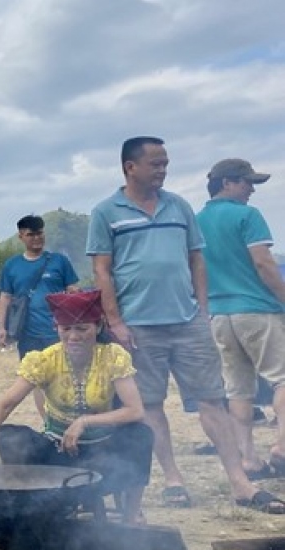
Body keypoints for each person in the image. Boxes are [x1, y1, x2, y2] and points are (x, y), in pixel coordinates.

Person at [88, 137, 282, 513]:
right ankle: (174, 480)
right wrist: (115, 321)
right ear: (130, 166)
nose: (163, 170)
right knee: (151, 405)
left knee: (213, 400)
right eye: (155, 164)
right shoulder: (106, 212)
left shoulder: (179, 207)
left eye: (165, 163)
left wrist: (201, 309)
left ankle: (240, 482)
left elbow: (196, 259)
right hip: (138, 327)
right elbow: (102, 270)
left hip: (187, 321)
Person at [0, 290, 153, 523]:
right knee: (10, 436)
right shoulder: (45, 360)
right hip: (58, 453)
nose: (73, 337)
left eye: (82, 329)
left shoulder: (113, 357)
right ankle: (35, 511)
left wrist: (84, 421)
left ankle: (131, 515)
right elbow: (8, 402)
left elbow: (135, 410)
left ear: (98, 326)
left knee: (140, 434)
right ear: (57, 329)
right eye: (66, 329)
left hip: (103, 454)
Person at [196, 158, 285, 478]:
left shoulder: (197, 220)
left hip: (220, 315)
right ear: (227, 183)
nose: (251, 190)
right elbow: (263, 263)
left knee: (238, 390)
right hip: (257, 309)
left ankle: (248, 458)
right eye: (247, 183)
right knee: (283, 379)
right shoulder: (248, 215)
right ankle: (281, 449)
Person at [0, 214, 80, 417]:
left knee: (66, 376)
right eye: (31, 234)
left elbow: (73, 289)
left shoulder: (59, 261)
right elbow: (5, 296)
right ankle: (48, 423)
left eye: (40, 233)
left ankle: (68, 418)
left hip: (58, 330)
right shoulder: (11, 266)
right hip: (28, 332)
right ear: (21, 237)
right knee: (36, 380)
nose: (36, 238)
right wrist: (1, 326)